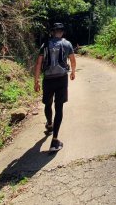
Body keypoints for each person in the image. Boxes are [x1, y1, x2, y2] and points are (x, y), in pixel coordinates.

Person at [34, 23, 76, 152]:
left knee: (48, 103)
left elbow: (39, 63)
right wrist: (73, 72)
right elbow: (73, 61)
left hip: (48, 79)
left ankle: (50, 125)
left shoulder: (45, 45)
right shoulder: (67, 44)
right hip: (61, 79)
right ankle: (55, 141)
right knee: (59, 107)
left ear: (53, 32)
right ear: (62, 32)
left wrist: (36, 80)